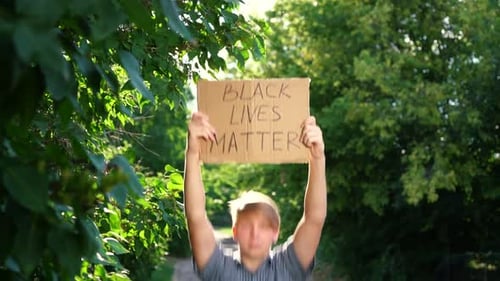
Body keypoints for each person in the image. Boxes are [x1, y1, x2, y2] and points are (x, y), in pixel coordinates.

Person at [183, 111, 327, 280]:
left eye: (264, 226)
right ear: (235, 231)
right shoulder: (218, 269)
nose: (255, 233)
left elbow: (314, 218)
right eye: (246, 225)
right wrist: (192, 154)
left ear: (275, 232)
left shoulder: (289, 266)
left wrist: (318, 158)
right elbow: (195, 217)